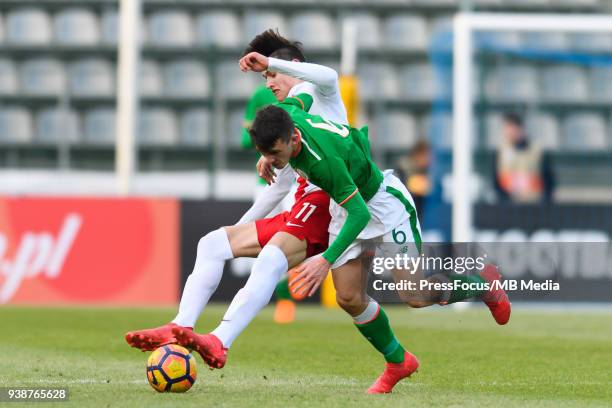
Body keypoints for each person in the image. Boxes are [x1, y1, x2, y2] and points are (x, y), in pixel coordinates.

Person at [173, 92, 511, 394]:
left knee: (415, 295)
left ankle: (480, 284)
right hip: (345, 207)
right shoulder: (287, 117)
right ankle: (398, 361)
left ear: (293, 139)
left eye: (276, 153)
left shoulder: (323, 162)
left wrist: (325, 258)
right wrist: (266, 154)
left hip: (381, 206)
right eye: (267, 153)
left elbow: (360, 214)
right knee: (348, 297)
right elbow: (300, 98)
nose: (274, 161)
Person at [125, 30, 347, 364]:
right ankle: (180, 326)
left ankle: (220, 340)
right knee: (212, 244)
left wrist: (270, 60)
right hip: (304, 203)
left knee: (277, 261)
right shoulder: (291, 122)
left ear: (295, 67)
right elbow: (281, 187)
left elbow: (329, 74)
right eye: (264, 77)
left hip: (328, 203)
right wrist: (237, 232)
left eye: (271, 75)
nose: (268, 83)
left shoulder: (319, 91)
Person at [240, 84, 298, 324]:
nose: (270, 80)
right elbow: (246, 141)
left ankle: (286, 299)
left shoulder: (302, 95)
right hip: (266, 180)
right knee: (261, 238)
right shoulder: (259, 96)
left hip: (297, 179)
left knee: (294, 234)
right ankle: (259, 298)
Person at [494, 112, 555, 203]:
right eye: (507, 128)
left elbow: (548, 181)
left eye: (513, 127)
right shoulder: (500, 152)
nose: (510, 132)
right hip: (508, 205)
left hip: (534, 204)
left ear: (520, 128)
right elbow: (496, 182)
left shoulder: (538, 151)